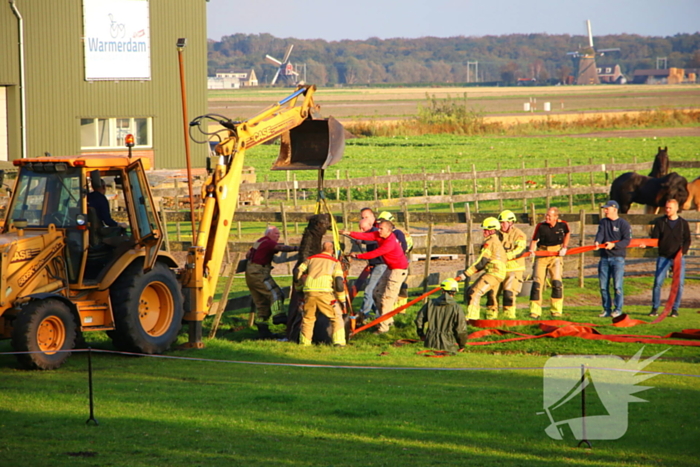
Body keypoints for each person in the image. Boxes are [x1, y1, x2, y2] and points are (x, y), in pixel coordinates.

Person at [342, 219, 409, 334]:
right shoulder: (379, 235)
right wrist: (348, 233)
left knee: (386, 299)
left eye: (381, 228)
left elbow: (374, 253)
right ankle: (387, 320)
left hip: (398, 271)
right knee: (376, 294)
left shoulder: (390, 242)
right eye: (379, 227)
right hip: (390, 268)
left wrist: (358, 256)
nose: (378, 230)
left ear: (389, 230)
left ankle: (383, 328)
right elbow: (366, 236)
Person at [245, 226, 298, 334]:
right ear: (268, 234)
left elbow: (248, 254)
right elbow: (281, 248)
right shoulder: (269, 242)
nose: (278, 236)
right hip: (259, 273)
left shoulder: (260, 241)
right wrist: (298, 248)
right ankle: (279, 316)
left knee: (262, 304)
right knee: (276, 293)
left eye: (279, 234)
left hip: (250, 274)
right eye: (276, 234)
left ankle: (263, 331)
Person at [295, 241, 347, 346]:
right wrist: (342, 300)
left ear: (321, 249)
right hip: (325, 293)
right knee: (336, 316)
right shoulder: (334, 262)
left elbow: (297, 271)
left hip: (309, 292)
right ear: (332, 250)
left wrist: (298, 287)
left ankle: (304, 344)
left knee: (308, 318)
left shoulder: (310, 259)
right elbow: (338, 282)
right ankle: (339, 343)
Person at [649, 199, 691, 318]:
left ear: (676, 209)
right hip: (664, 256)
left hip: (678, 257)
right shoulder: (660, 222)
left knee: (679, 284)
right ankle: (655, 308)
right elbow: (654, 238)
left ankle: (675, 308)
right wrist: (646, 244)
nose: (667, 210)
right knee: (658, 282)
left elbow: (687, 239)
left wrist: (683, 252)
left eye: (669, 208)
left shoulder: (683, 223)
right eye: (666, 208)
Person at [459, 217, 507, 320]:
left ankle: (472, 318)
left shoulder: (490, 242)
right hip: (496, 273)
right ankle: (491, 319)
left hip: (494, 273)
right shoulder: (495, 240)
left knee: (475, 292)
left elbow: (481, 262)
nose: (484, 232)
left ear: (492, 230)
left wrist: (465, 274)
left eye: (486, 229)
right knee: (487, 295)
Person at [528, 207, 570, 319]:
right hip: (542, 253)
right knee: (537, 283)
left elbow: (567, 234)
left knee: (556, 282)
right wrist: (532, 250)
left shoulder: (563, 225)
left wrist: (564, 247)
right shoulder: (540, 226)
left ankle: (556, 311)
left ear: (556, 217)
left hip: (555, 254)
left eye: (549, 216)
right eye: (546, 215)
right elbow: (533, 240)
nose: (547, 217)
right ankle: (535, 311)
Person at [594, 200, 632, 318]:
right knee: (603, 286)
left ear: (614, 209)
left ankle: (618, 309)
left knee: (617, 286)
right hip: (605, 258)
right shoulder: (603, 222)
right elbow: (600, 234)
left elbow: (627, 240)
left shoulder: (623, 224)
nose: (605, 211)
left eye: (607, 209)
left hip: (618, 258)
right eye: (604, 209)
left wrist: (614, 245)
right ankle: (606, 309)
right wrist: (597, 242)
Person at [415, 278, 469, 353]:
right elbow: (461, 329)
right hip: (448, 345)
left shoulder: (430, 303)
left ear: (442, 290)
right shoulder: (457, 308)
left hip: (430, 343)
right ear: (455, 292)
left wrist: (421, 334)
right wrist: (462, 345)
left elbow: (419, 319)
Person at [493, 210, 528, 319]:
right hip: (499, 269)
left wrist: (508, 255)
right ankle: (491, 317)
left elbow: (520, 249)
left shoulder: (519, 235)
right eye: (500, 222)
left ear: (511, 223)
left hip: (514, 268)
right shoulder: (496, 235)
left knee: (509, 292)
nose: (501, 225)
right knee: (492, 293)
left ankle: (509, 318)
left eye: (503, 222)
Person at [356, 211, 387, 318]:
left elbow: (372, 240)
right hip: (375, 265)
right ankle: (379, 315)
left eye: (363, 228)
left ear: (369, 225)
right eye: (360, 228)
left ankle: (363, 314)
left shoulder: (375, 232)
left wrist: (361, 240)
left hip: (381, 265)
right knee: (373, 290)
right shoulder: (369, 233)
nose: (361, 230)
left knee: (369, 290)